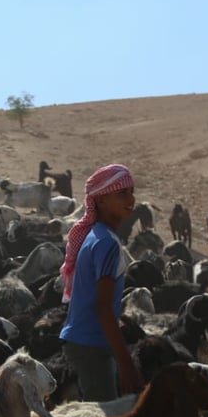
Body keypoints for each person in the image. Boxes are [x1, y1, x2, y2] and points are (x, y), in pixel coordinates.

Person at [59, 164, 145, 401]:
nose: (131, 199)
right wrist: (126, 364)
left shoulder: (97, 235)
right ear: (101, 201)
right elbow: (103, 307)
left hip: (85, 342)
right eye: (122, 193)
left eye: (131, 191)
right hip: (91, 346)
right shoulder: (107, 243)